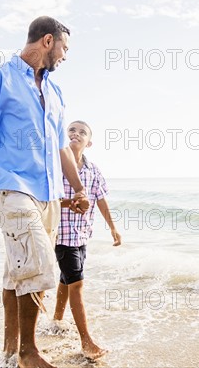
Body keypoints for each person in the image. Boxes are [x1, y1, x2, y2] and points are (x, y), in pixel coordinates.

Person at [0, 16, 88, 368]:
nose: (65, 56)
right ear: (47, 41)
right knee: (40, 266)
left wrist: (78, 189)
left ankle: (9, 350)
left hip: (47, 194)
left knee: (18, 271)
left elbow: (61, 148)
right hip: (8, 185)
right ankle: (29, 353)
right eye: (64, 48)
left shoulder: (56, 93)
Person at [53, 120, 122, 360]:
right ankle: (86, 342)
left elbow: (100, 199)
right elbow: (45, 199)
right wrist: (68, 203)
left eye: (82, 132)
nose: (76, 134)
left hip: (82, 233)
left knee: (66, 278)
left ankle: (57, 321)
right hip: (60, 234)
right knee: (77, 283)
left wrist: (113, 228)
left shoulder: (93, 170)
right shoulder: (56, 164)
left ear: (88, 142)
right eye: (71, 130)